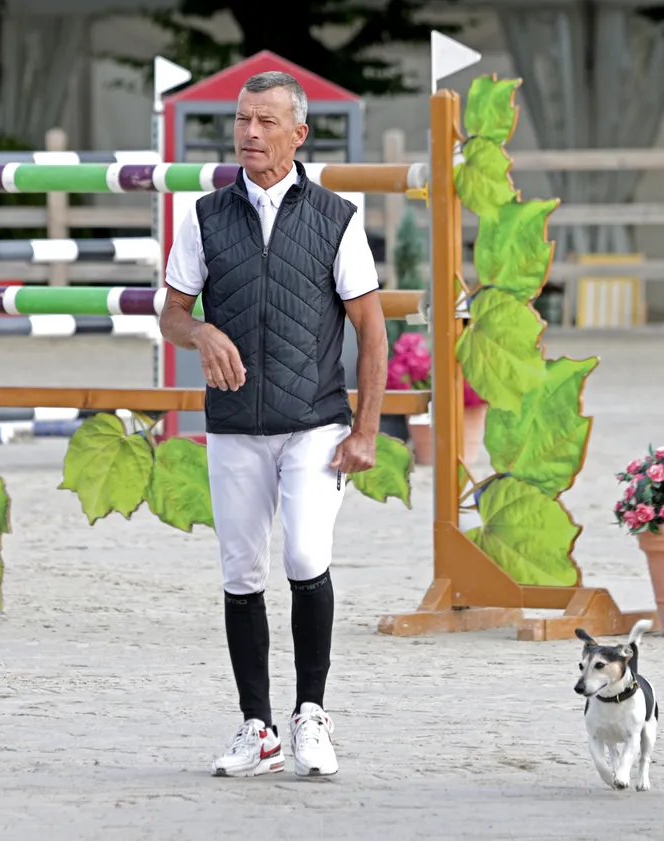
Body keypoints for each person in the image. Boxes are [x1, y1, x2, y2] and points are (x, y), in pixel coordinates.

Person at [157, 70, 388, 778]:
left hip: (315, 422)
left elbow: (372, 332)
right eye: (241, 120)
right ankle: (256, 727)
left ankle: (311, 712)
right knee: (241, 571)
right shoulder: (203, 216)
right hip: (233, 423)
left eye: (265, 121)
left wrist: (366, 431)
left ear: (298, 133)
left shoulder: (338, 218)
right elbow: (171, 314)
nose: (250, 133)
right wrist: (199, 332)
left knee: (306, 556)